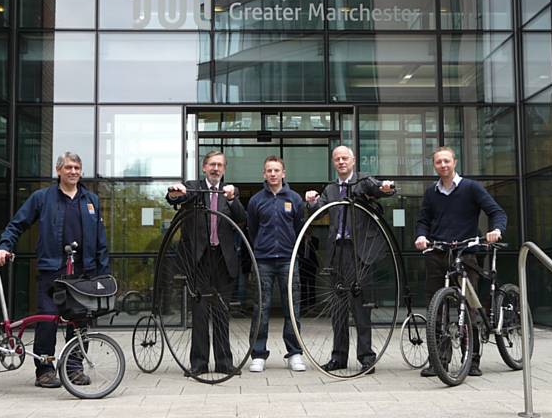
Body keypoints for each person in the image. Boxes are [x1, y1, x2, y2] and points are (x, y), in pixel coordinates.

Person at [0, 152, 109, 388]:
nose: (73, 171)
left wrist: (103, 274)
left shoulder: (91, 200)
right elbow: (17, 224)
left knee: (80, 322)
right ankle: (45, 370)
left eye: (77, 167)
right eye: (68, 167)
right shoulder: (42, 198)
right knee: (48, 321)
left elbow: (100, 241)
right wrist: (3, 247)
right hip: (52, 270)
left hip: (83, 272)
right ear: (58, 171)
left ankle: (73, 368)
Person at [414, 146, 507, 378]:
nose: (443, 165)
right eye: (438, 162)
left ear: (454, 162)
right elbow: (423, 220)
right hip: (438, 253)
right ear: (434, 165)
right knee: (437, 310)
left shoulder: (471, 188)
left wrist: (496, 229)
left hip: (466, 253)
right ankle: (439, 361)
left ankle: (472, 359)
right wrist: (421, 235)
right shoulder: (431, 192)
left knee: (469, 307)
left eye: (446, 161)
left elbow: (497, 212)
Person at [305, 145, 394, 374]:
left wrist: (385, 188)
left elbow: (377, 188)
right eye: (337, 159)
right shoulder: (331, 189)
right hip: (337, 252)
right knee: (338, 309)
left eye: (345, 158)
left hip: (359, 253)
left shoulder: (362, 181)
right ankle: (339, 357)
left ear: (353, 161)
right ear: (334, 163)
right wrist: (312, 201)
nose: (341, 162)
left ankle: (366, 357)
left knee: (360, 308)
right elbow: (320, 210)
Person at [166, 150, 246, 376]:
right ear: (204, 167)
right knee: (200, 312)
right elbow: (176, 198)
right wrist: (174, 192)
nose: (216, 169)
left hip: (223, 259)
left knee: (221, 311)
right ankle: (199, 364)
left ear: (224, 169)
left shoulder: (229, 192)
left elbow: (242, 218)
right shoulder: (194, 187)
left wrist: (233, 199)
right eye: (212, 164)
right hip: (199, 260)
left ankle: (224, 363)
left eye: (220, 165)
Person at [247, 156, 306, 372]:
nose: (273, 174)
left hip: (289, 260)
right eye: (269, 170)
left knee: (293, 308)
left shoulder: (295, 199)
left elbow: (299, 228)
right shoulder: (255, 201)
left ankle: (295, 353)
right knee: (261, 309)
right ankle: (258, 354)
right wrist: (260, 248)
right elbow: (251, 229)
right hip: (263, 260)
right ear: (264, 174)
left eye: (276, 170)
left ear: (284, 173)